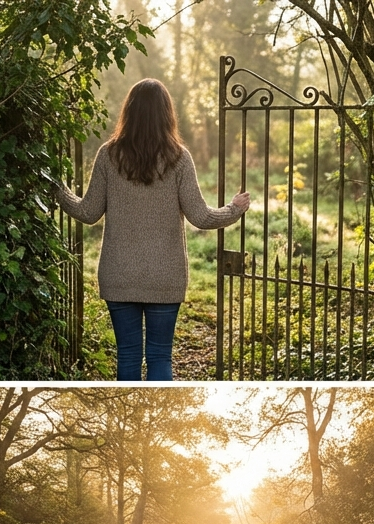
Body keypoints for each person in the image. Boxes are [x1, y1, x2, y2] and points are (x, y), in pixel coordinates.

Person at [55, 78, 251, 381]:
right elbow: (200, 217)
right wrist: (234, 209)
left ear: (129, 112)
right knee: (160, 356)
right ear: (166, 113)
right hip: (165, 276)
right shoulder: (179, 158)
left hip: (119, 274)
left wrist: (57, 188)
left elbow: (87, 211)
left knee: (128, 357)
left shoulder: (109, 155)